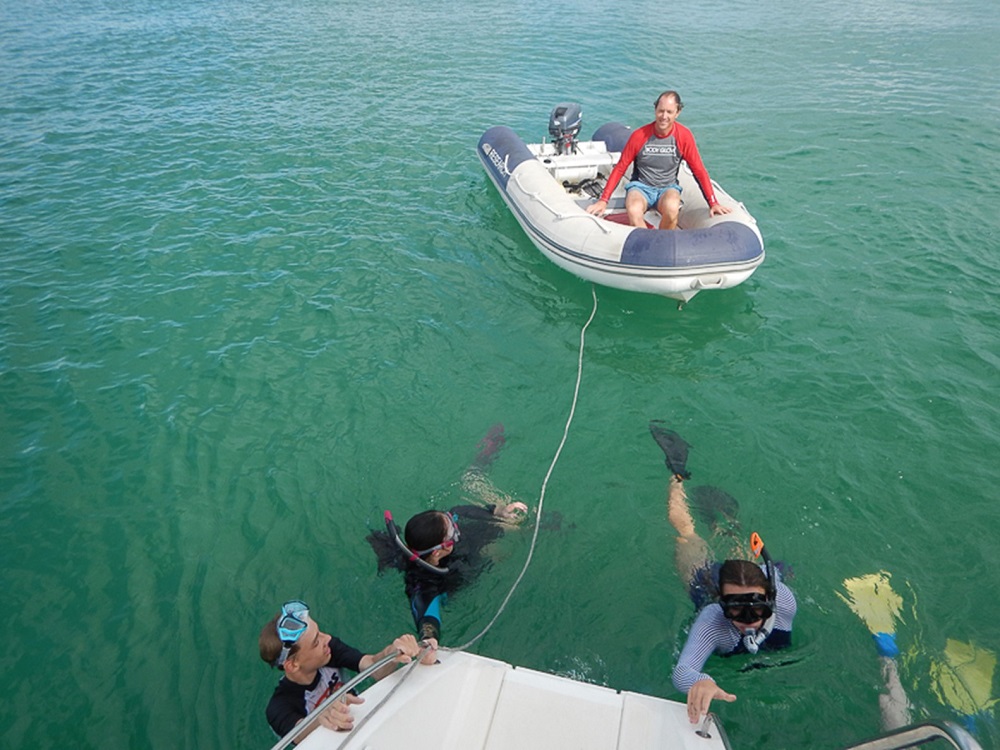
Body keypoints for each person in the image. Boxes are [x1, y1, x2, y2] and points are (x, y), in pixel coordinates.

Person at [650, 421, 797, 724]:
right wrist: (701, 681)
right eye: (735, 609)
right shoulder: (713, 618)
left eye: (755, 607)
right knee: (686, 534)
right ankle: (678, 474)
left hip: (751, 576)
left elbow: (771, 577)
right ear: (722, 605)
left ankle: (722, 526)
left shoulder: (784, 601)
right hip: (704, 580)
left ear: (769, 599)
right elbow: (683, 671)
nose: (747, 620)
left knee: (742, 555)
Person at [367, 423, 527, 642]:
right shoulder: (425, 583)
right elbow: (427, 620)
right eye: (451, 528)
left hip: (460, 548)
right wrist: (429, 639)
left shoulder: (450, 526)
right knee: (500, 553)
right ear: (436, 552)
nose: (454, 522)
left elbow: (459, 512)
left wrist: (500, 511)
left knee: (477, 491)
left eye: (448, 519)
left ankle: (483, 461)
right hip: (462, 565)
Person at [258, 599, 437, 740]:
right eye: (316, 642)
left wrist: (394, 652)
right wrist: (322, 716)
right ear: (293, 664)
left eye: (320, 632)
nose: (326, 638)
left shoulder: (329, 650)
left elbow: (373, 667)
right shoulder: (278, 707)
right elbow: (299, 734)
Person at [585, 91, 733, 230]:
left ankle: (662, 241)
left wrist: (713, 202)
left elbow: (699, 171)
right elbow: (620, 168)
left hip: (667, 188)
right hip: (641, 187)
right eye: (661, 111)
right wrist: (603, 200)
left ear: (677, 112)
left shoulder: (684, 136)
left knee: (672, 208)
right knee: (634, 209)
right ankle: (646, 243)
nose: (664, 116)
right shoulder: (640, 136)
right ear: (655, 110)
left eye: (669, 112)